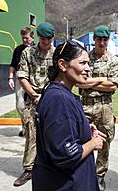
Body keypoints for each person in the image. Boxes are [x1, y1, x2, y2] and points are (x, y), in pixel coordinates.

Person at [32, 40, 106, 191]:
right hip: (65, 183)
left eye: (88, 63)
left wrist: (83, 129)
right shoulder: (59, 99)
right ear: (63, 65)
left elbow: (59, 129)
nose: (88, 69)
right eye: (82, 63)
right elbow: (66, 155)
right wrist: (94, 143)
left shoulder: (55, 91)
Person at [78, 25, 118, 190]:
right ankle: (83, 173)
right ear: (94, 40)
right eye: (99, 39)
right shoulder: (84, 58)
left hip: (105, 107)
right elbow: (79, 81)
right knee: (82, 140)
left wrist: (91, 82)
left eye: (105, 39)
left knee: (104, 143)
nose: (102, 43)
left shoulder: (114, 60)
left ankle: (99, 176)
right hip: (85, 105)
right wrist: (102, 80)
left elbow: (113, 86)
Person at [14, 22, 56, 187]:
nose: (46, 41)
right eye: (43, 38)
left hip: (51, 100)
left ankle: (52, 167)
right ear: (38, 36)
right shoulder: (28, 53)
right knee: (31, 135)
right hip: (32, 100)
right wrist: (34, 94)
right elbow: (22, 76)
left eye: (49, 38)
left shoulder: (56, 54)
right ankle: (29, 169)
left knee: (52, 134)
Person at [8, 26, 34, 137]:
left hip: (33, 80)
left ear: (32, 37)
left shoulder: (37, 49)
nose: (24, 40)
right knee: (20, 105)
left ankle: (33, 128)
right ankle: (24, 127)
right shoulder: (18, 50)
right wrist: (10, 78)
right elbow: (13, 65)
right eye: (23, 38)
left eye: (27, 38)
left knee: (34, 104)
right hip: (20, 80)